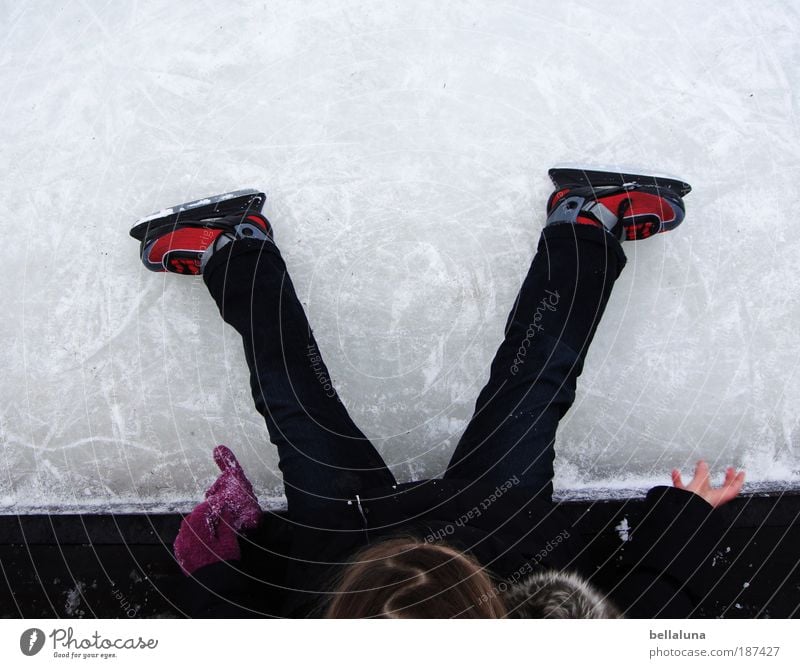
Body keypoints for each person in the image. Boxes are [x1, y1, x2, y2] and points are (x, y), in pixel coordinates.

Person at [135, 172, 745, 618]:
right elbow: (650, 616)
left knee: (306, 408)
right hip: (489, 534)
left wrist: (215, 583)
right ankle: (583, 223)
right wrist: (683, 524)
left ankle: (237, 248)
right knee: (527, 391)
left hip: (346, 542)